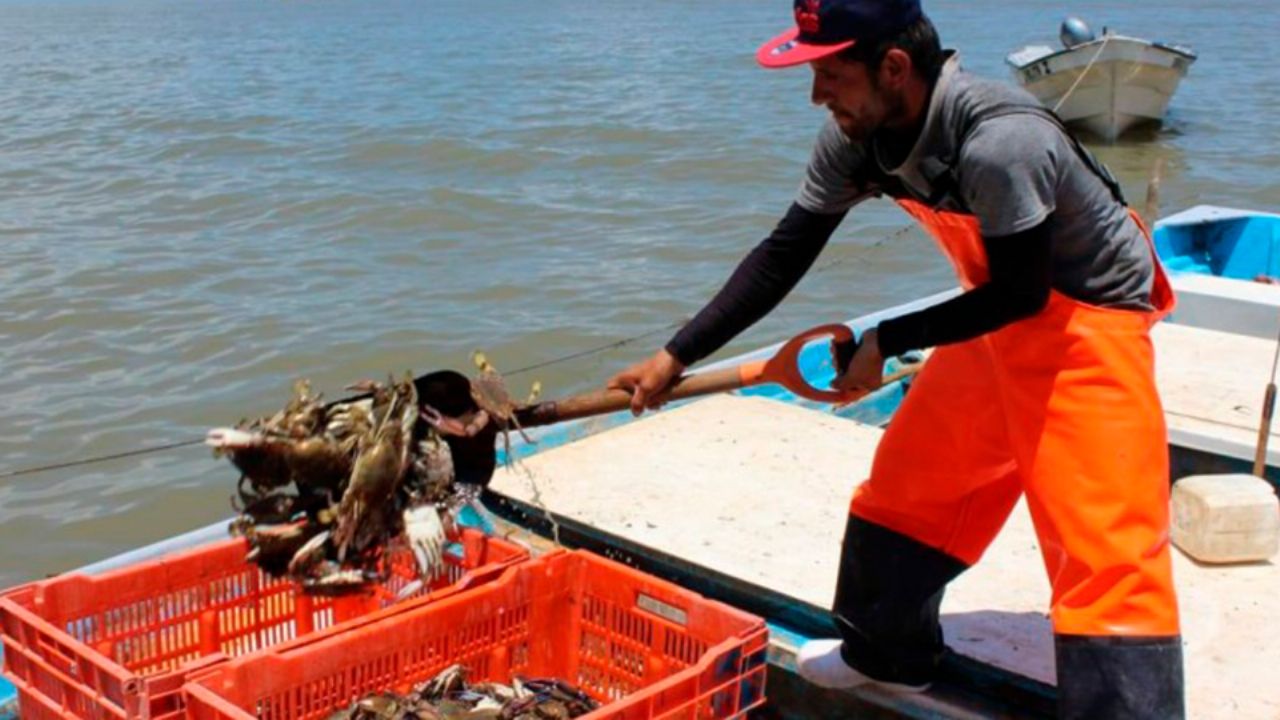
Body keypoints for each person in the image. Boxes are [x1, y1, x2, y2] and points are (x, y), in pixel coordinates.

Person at [605, 0, 1185, 717]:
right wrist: (674, 355)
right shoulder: (857, 138)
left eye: (829, 74)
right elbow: (785, 253)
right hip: (994, 306)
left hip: (1089, 320)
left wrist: (886, 340)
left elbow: (1024, 292)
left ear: (895, 68)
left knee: (1105, 555)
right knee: (907, 495)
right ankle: (888, 654)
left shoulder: (1000, 141)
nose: (817, 94)